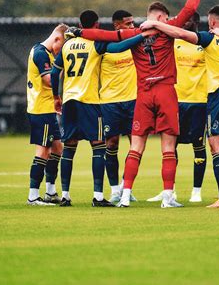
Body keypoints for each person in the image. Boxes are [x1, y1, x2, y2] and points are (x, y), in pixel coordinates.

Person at [72, 0, 207, 208]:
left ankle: (124, 195)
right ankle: (167, 198)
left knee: (136, 147)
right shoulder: (168, 29)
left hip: (143, 93)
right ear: (162, 17)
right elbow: (188, 11)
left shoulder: (134, 33)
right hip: (165, 91)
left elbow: (107, 36)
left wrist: (80, 33)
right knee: (168, 147)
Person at [139, 5, 219, 208]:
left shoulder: (209, 38)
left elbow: (180, 33)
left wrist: (156, 23)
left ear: (211, 22)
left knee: (216, 147)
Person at [52, 10, 151, 207]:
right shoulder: (96, 42)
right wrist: (142, 36)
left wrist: (57, 96)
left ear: (80, 25)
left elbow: (55, 72)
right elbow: (119, 47)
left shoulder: (67, 45)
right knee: (99, 146)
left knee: (69, 148)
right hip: (89, 100)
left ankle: (65, 195)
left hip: (70, 100)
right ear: (97, 26)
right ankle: (98, 196)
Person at [147, 12, 208, 203]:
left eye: (189, 20)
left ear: (196, 23)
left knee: (199, 146)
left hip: (198, 101)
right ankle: (169, 190)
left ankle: (196, 191)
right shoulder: (174, 43)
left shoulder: (204, 45)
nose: (185, 23)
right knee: (170, 147)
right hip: (175, 101)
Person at [26, 24, 68, 205]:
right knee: (43, 151)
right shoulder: (40, 53)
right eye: (62, 46)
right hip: (40, 109)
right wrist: (65, 67)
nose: (61, 52)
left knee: (58, 148)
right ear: (57, 39)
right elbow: (49, 80)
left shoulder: (48, 54)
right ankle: (33, 196)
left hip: (48, 109)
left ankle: (50, 192)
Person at [101, 10, 138, 204]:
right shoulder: (105, 45)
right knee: (111, 144)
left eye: (133, 23)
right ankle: (114, 189)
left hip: (133, 100)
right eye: (128, 24)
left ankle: (126, 186)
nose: (132, 26)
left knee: (136, 146)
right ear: (117, 26)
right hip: (110, 101)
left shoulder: (135, 44)